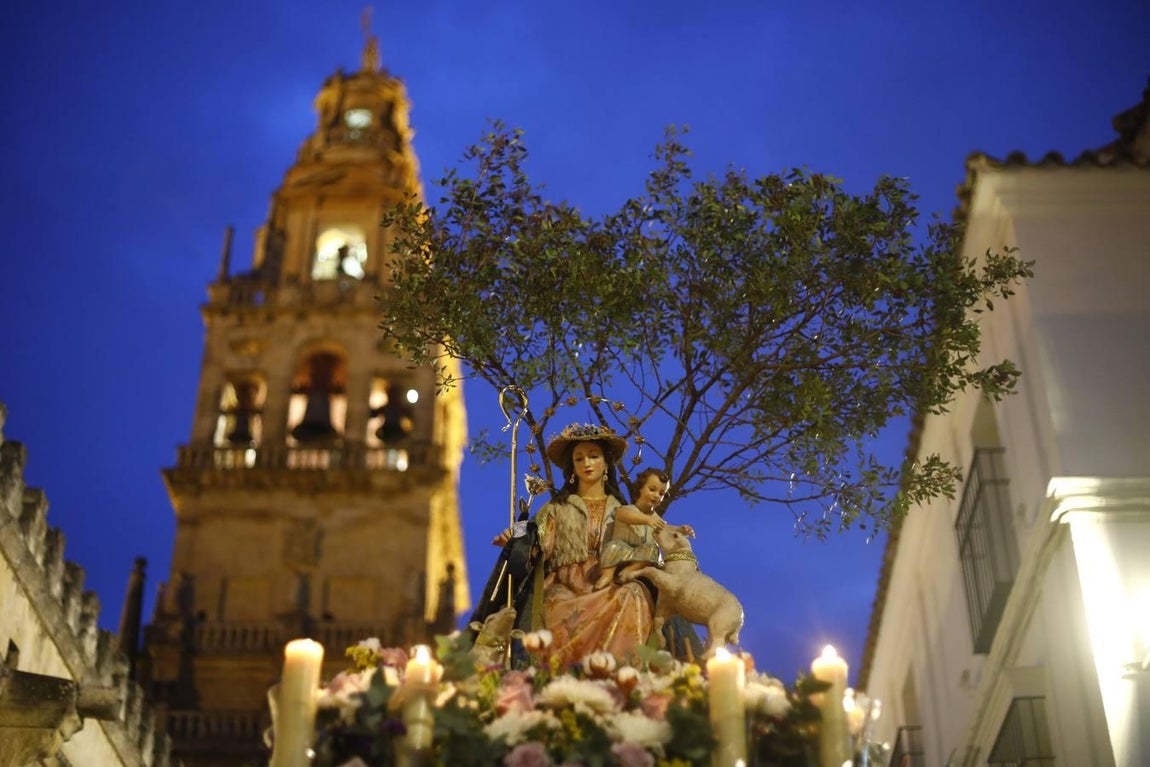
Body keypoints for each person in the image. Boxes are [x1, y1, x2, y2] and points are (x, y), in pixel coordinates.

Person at [491, 423, 655, 668]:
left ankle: (618, 672)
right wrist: (516, 542)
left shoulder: (623, 511)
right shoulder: (557, 508)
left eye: (594, 456)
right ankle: (561, 671)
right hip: (565, 586)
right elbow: (537, 544)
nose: (587, 463)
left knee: (635, 593)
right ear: (572, 467)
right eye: (579, 458)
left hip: (609, 582)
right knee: (559, 607)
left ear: (606, 463)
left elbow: (642, 548)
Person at [595, 467, 672, 589]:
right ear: (640, 488)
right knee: (614, 546)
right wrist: (647, 520)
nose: (656, 495)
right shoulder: (626, 509)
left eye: (661, 493)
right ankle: (607, 575)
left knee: (652, 549)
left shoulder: (657, 519)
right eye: (652, 490)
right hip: (619, 553)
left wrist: (681, 531)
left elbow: (667, 533)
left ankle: (629, 571)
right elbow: (623, 515)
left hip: (639, 558)